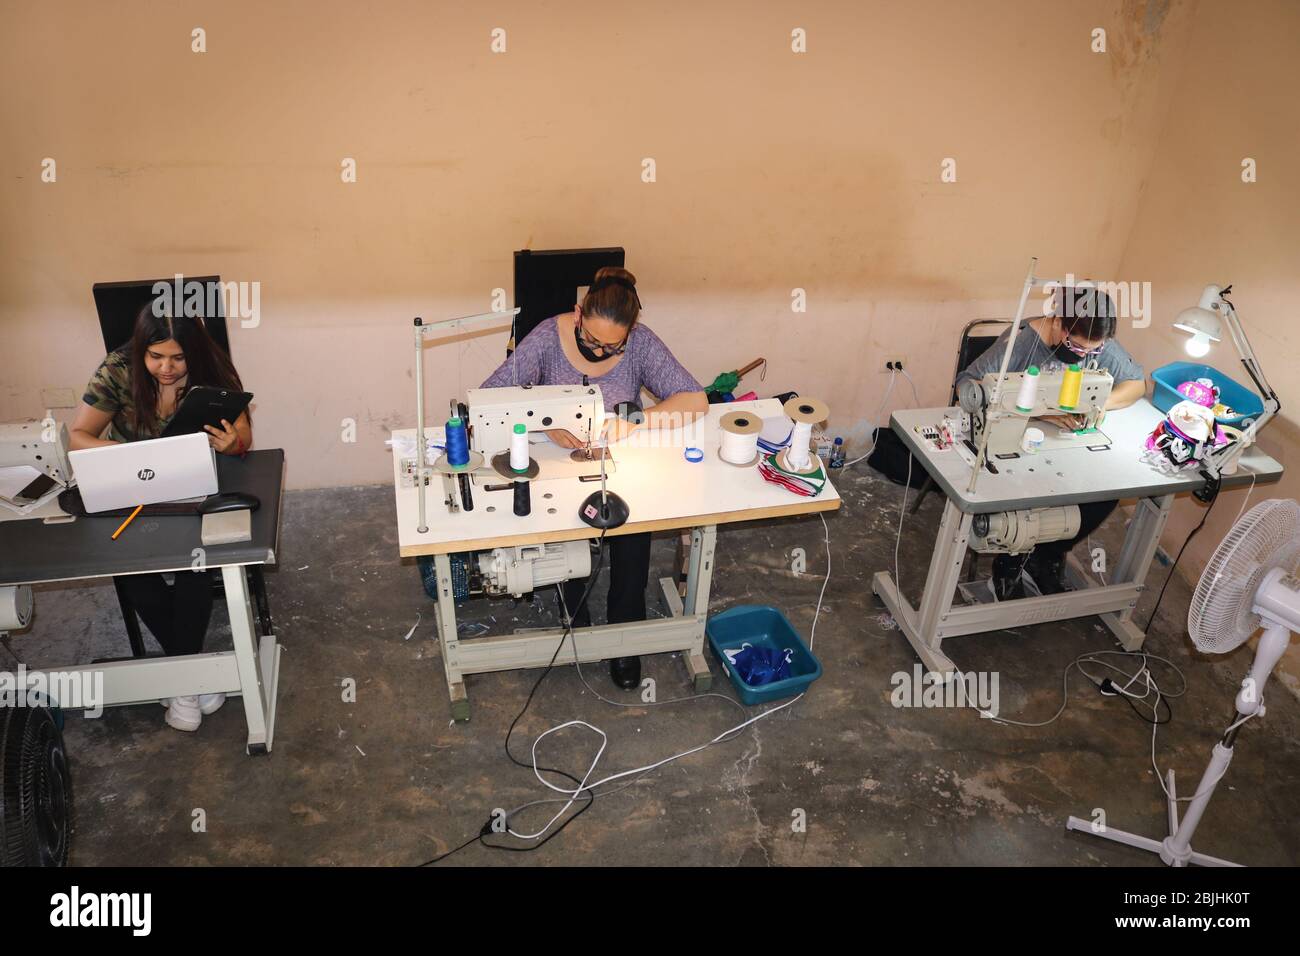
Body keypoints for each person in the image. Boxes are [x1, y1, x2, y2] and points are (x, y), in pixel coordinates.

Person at [480, 267, 707, 688]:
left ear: (630, 332)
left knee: (635, 528)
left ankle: (626, 637)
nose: (600, 351)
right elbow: (491, 395)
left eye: (612, 346)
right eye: (592, 340)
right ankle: (576, 616)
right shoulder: (548, 337)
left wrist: (637, 418)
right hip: (558, 460)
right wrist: (543, 422)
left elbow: (695, 400)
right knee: (567, 525)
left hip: (618, 459)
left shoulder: (640, 343)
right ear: (578, 313)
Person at [70, 306, 253, 731]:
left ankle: (181, 680)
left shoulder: (212, 368)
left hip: (191, 485)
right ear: (140, 350)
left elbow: (243, 436)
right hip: (126, 486)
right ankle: (193, 676)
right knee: (128, 565)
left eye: (178, 358)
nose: (167, 369)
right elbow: (79, 437)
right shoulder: (117, 368)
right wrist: (133, 456)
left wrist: (231, 442)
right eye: (156, 357)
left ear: (194, 352)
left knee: (195, 561)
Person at [955, 286, 1145, 598]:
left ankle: (1048, 554)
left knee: (1108, 491)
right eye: (1076, 346)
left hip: (1062, 443)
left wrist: (1098, 404)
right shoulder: (1022, 343)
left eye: (1093, 351)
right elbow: (968, 386)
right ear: (1057, 321)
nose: (1083, 355)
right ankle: (1012, 559)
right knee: (1035, 489)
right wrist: (1040, 414)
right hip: (1017, 439)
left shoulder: (1093, 334)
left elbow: (1137, 384)